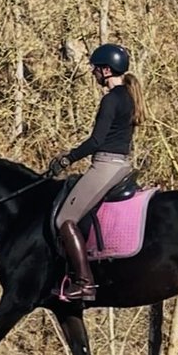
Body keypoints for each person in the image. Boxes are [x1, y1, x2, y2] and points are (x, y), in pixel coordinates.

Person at [47, 43, 146, 301]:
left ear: (105, 69)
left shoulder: (111, 99)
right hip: (122, 163)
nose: (93, 74)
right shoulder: (129, 96)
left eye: (95, 69)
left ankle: (84, 283)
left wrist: (68, 158)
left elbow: (96, 141)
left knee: (64, 220)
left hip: (105, 165)